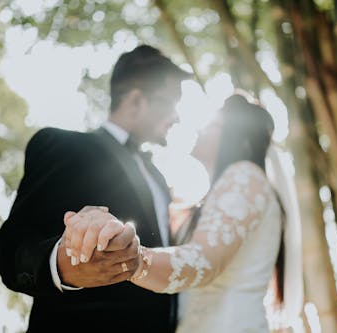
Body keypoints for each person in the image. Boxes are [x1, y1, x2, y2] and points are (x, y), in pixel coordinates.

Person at [0, 45, 191, 332]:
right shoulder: (64, 147)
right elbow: (11, 248)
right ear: (136, 100)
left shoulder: (159, 178)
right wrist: (64, 265)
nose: (177, 117)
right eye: (170, 102)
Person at [64, 94, 304, 332]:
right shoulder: (232, 189)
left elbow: (203, 260)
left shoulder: (244, 177)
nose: (201, 130)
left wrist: (135, 260)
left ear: (235, 136)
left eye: (212, 124)